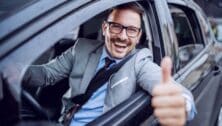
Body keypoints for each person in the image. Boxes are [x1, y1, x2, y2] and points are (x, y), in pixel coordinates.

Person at [23, 3, 196, 126]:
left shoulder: (140, 62)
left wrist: (182, 105)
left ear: (138, 35)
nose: (122, 36)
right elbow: (46, 75)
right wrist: (15, 71)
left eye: (131, 30)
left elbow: (177, 92)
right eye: (116, 27)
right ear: (105, 28)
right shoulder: (81, 48)